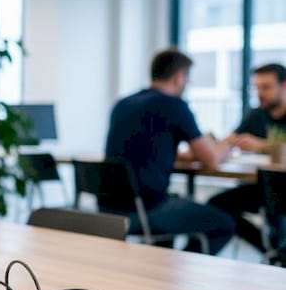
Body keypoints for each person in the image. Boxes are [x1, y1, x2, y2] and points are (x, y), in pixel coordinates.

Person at [102, 48, 235, 254]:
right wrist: (230, 143)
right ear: (179, 76)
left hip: (108, 208)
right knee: (223, 225)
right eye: (187, 79)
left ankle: (166, 264)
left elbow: (142, 149)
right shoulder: (174, 106)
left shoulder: (123, 103)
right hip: (148, 209)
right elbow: (212, 159)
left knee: (177, 207)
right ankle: (182, 264)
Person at [209, 64, 286, 254]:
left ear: (284, 86)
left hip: (282, 188)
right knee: (217, 206)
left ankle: (278, 250)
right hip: (263, 187)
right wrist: (214, 145)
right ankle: (269, 250)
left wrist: (262, 145)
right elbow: (232, 138)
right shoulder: (256, 114)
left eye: (266, 87)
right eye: (257, 87)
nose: (260, 93)